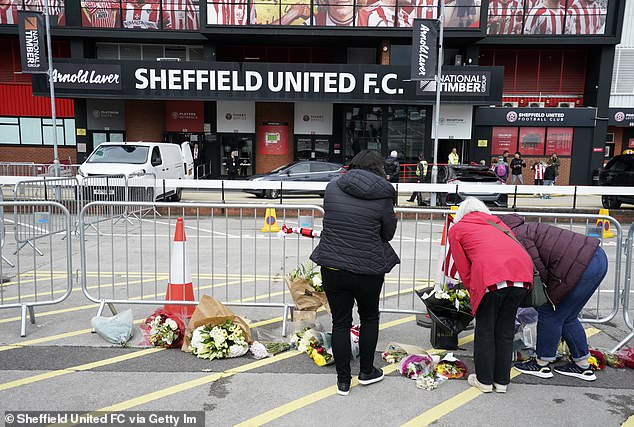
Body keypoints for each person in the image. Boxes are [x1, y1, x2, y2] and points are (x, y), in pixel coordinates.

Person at [310, 150, 400, 396]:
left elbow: (331, 221)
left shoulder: (332, 187)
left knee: (340, 322)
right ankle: (366, 371)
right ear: (378, 169)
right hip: (368, 268)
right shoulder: (384, 194)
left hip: (332, 265)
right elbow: (388, 233)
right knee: (369, 317)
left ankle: (342, 381)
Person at [500, 214, 607, 382]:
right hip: (598, 258)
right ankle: (582, 364)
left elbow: (538, 270)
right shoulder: (527, 228)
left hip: (580, 266)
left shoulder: (518, 236)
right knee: (568, 317)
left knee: (549, 311)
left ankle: (542, 363)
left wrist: (542, 294)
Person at [448, 198, 533, 393]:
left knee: (485, 330)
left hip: (491, 279)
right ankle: (502, 381)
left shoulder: (458, 229)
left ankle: (484, 380)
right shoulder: (497, 222)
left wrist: (474, 293)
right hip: (521, 277)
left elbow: (464, 270)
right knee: (505, 331)